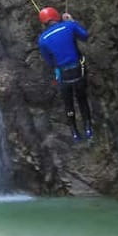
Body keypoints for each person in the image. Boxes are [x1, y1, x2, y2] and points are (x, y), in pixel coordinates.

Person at [37, 7, 93, 141]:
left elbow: (49, 61)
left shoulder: (42, 39)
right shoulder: (69, 26)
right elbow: (85, 36)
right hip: (78, 71)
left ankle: (74, 133)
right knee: (82, 100)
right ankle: (88, 128)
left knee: (68, 104)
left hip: (63, 75)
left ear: (43, 23)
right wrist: (72, 21)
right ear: (57, 16)